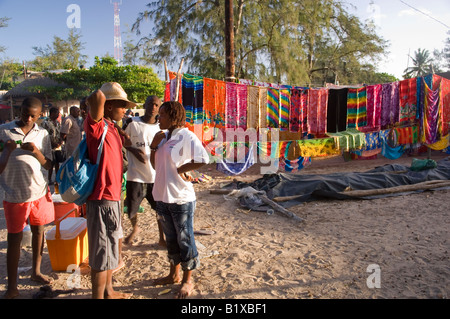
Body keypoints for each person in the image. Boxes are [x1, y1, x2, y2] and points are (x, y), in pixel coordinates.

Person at [150, 101, 210, 299]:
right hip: (162, 196)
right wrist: (153, 146)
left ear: (174, 117)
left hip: (181, 198)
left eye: (162, 115)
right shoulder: (164, 136)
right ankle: (173, 274)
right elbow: (155, 165)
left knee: (185, 239)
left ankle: (187, 280)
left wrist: (180, 170)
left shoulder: (186, 135)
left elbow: (203, 158)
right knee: (171, 239)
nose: (159, 119)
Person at [0, 97, 55, 299]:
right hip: (14, 194)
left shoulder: (42, 133)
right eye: (25, 113)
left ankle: (36, 271)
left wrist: (36, 152)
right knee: (14, 238)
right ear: (19, 111)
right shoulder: (4, 130)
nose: (28, 118)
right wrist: (6, 151)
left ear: (40, 115)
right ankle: (12, 287)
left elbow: (48, 164)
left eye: (33, 115)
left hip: (38, 191)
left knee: (38, 231)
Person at [84, 82, 134, 299]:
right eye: (122, 105)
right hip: (102, 199)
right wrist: (105, 97)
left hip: (113, 198)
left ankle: (109, 290)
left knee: (110, 249)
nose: (126, 109)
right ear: (109, 105)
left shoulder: (112, 127)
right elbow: (95, 96)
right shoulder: (95, 125)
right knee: (100, 253)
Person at [123, 95, 165, 246]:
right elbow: (122, 141)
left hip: (155, 176)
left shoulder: (161, 128)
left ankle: (162, 237)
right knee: (131, 208)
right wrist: (134, 151)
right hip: (135, 175)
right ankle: (135, 228)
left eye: (156, 105)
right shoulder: (132, 123)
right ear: (145, 104)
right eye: (150, 104)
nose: (152, 107)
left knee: (160, 209)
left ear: (159, 108)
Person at [41, 107, 64, 184]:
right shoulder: (45, 122)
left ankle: (57, 178)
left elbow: (59, 132)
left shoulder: (57, 123)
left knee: (57, 162)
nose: (58, 114)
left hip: (57, 146)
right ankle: (49, 178)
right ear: (52, 113)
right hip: (50, 146)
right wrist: (51, 143)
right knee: (51, 163)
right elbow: (44, 135)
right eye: (57, 113)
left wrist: (60, 141)